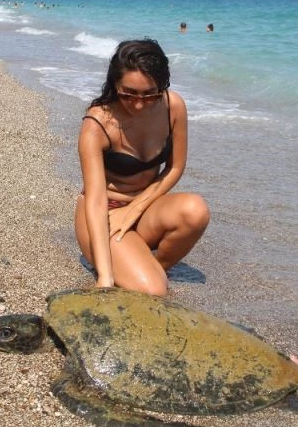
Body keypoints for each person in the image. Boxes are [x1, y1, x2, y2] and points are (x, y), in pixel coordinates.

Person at [75, 39, 210, 296]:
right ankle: (130, 268)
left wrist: (136, 208)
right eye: (128, 94)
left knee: (196, 211)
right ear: (115, 84)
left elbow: (175, 168)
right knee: (154, 291)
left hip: (145, 209)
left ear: (163, 85)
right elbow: (95, 200)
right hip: (105, 214)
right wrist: (104, 277)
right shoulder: (97, 124)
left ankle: (151, 267)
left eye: (150, 95)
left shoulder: (173, 107)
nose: (138, 104)